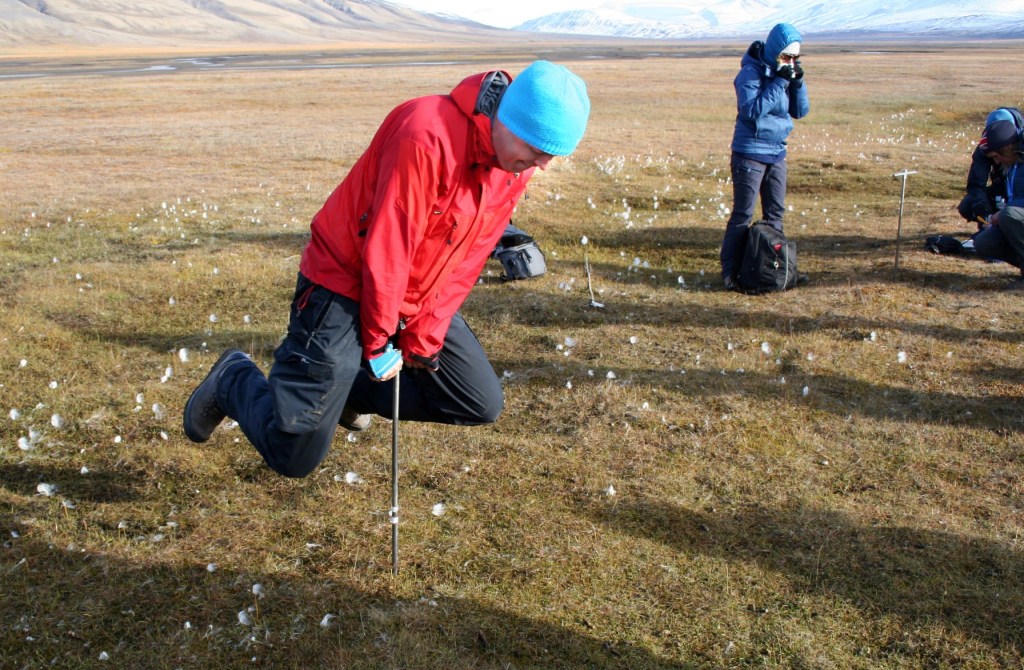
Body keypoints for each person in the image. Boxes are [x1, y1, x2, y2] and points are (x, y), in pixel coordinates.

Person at [183, 61, 590, 477]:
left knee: (476, 401)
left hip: (414, 295)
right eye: (539, 151)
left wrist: (425, 335)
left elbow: (471, 255)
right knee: (294, 456)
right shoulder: (426, 134)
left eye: (552, 156)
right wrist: (378, 343)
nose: (542, 166)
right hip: (343, 282)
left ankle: (347, 393)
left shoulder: (510, 165)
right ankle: (233, 380)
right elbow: (389, 247)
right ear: (510, 119)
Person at [720, 23, 810, 290]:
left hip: (777, 152)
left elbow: (800, 112)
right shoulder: (750, 73)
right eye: (786, 57)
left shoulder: (785, 72)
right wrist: (781, 81)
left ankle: (774, 271)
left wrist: (798, 83)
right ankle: (730, 274)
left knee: (775, 215)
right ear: (774, 52)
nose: (790, 62)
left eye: (795, 58)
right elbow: (751, 110)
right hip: (749, 153)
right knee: (743, 215)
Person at [967, 115, 1024, 281]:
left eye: (997, 156)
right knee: (984, 242)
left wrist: (1006, 212)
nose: (997, 161)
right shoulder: (1014, 166)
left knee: (1009, 216)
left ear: (1008, 147)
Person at [957, 107, 1024, 226]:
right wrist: (985, 213)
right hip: (1002, 189)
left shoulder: (1019, 142)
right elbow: (976, 184)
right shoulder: (986, 146)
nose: (997, 161)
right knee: (967, 205)